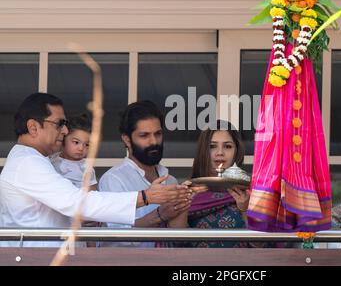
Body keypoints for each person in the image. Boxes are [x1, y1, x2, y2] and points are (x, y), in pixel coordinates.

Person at [0, 93, 191, 247]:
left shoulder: (33, 160)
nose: (65, 131)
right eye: (59, 124)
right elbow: (77, 203)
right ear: (33, 127)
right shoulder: (27, 163)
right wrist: (146, 197)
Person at [98, 100, 207, 247]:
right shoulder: (113, 180)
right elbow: (118, 236)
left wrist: (184, 204)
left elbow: (176, 239)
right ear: (127, 139)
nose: (154, 141)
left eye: (158, 134)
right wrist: (160, 215)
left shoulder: (170, 180)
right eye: (144, 135)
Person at [185, 120, 251, 248]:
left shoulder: (250, 191)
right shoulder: (189, 190)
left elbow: (261, 245)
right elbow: (176, 245)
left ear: (237, 151)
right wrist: (185, 203)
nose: (220, 152)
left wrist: (245, 208)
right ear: (203, 151)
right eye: (212, 146)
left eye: (227, 146)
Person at [50, 114, 97, 190]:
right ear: (64, 138)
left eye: (87, 144)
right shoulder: (51, 161)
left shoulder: (87, 168)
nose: (81, 148)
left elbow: (92, 192)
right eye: (76, 142)